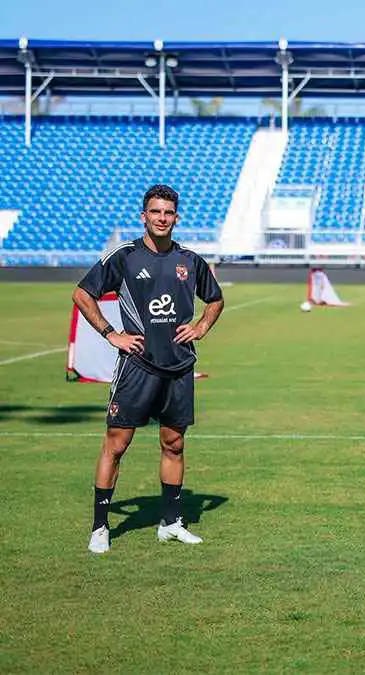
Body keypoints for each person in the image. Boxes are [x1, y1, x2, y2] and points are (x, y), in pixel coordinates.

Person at [73, 184, 225, 554]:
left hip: (179, 366)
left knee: (174, 444)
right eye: (155, 212)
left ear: (176, 217)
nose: (162, 218)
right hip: (137, 366)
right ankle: (100, 526)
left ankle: (170, 523)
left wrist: (201, 327)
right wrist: (111, 334)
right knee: (117, 443)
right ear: (144, 216)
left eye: (168, 213)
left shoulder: (189, 260)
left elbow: (216, 299)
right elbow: (82, 294)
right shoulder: (125, 257)